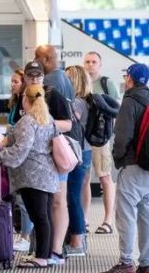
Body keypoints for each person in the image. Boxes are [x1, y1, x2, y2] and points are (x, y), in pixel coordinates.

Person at [0, 84, 60, 268]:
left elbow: (21, 150)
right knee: (45, 216)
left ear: (26, 99)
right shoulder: (47, 119)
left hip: (32, 176)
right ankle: (45, 255)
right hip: (48, 174)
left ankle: (41, 257)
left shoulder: (28, 121)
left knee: (39, 217)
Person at [103, 64, 149, 273]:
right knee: (147, 217)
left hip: (134, 167)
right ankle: (146, 263)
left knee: (126, 215)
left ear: (129, 79)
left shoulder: (129, 101)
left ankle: (126, 262)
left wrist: (118, 160)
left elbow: (122, 137)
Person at [24, 59, 73, 265]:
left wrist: (42, 124)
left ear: (43, 77)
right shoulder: (23, 96)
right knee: (41, 206)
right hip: (35, 158)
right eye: (31, 75)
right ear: (25, 77)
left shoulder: (53, 95)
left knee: (58, 201)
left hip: (55, 155)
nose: (35, 79)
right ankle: (43, 250)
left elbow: (68, 124)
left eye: (38, 76)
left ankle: (56, 251)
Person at [83, 52, 118, 235]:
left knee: (105, 177)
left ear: (100, 64)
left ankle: (108, 220)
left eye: (94, 62)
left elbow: (116, 108)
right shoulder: (81, 83)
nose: (90, 65)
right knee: (84, 178)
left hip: (101, 137)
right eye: (87, 62)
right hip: (83, 137)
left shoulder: (106, 83)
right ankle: (84, 219)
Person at [63, 65, 94, 257]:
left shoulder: (77, 103)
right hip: (83, 151)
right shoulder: (85, 101)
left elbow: (70, 123)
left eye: (67, 79)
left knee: (72, 196)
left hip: (77, 152)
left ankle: (77, 241)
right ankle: (76, 238)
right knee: (73, 195)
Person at [6, 69, 36, 252]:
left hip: (23, 154)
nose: (12, 84)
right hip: (15, 149)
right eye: (12, 81)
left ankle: (26, 236)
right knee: (20, 197)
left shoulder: (25, 107)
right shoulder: (15, 103)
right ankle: (25, 235)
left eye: (16, 81)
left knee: (25, 198)